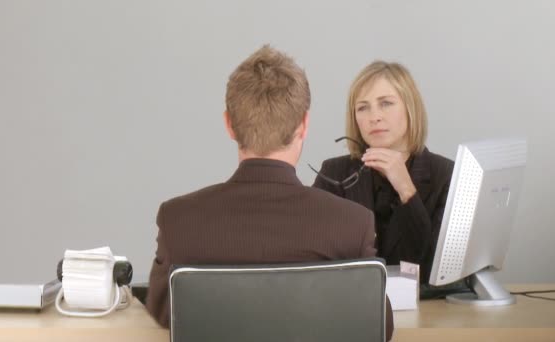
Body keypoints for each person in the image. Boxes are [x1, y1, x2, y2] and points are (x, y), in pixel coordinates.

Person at [145, 46, 393, 340]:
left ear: (229, 125)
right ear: (303, 125)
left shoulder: (178, 220)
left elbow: (163, 314)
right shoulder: (352, 224)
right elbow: (379, 326)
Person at [312, 61, 454, 284]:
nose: (374, 116)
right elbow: (315, 259)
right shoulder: (335, 172)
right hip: (354, 308)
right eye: (363, 107)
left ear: (410, 108)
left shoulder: (445, 174)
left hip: (427, 311)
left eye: (386, 103)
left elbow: (433, 270)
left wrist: (406, 190)